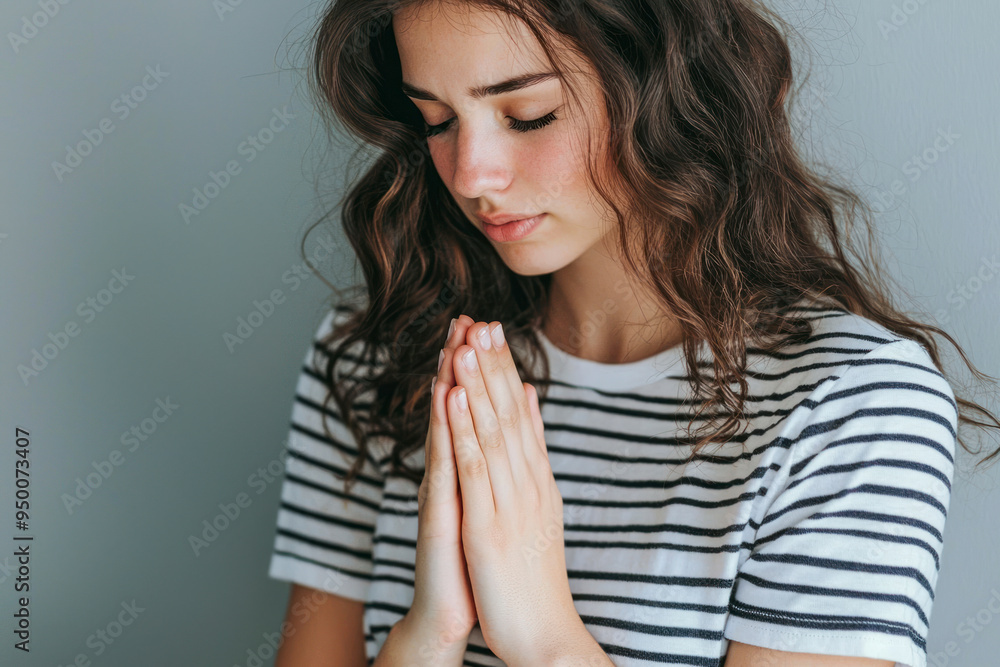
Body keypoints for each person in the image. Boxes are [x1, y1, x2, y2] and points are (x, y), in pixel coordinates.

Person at [266, 0, 1000, 665]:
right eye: (438, 121)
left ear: (668, 90)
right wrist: (428, 632)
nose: (472, 175)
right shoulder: (377, 355)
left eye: (528, 114)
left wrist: (545, 639)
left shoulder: (850, 406)